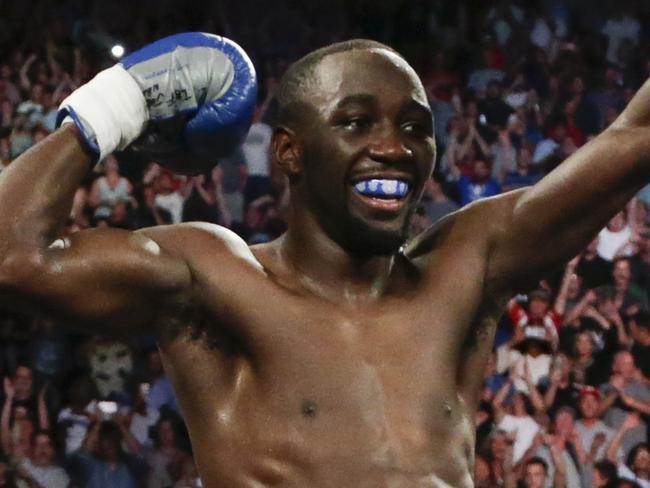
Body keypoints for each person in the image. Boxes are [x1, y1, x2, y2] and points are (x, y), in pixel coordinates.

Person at [4, 30, 650, 487]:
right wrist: (119, 103)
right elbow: (13, 256)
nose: (394, 148)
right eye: (356, 121)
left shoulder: (467, 264)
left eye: (414, 125)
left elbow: (635, 138)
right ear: (288, 153)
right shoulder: (215, 279)